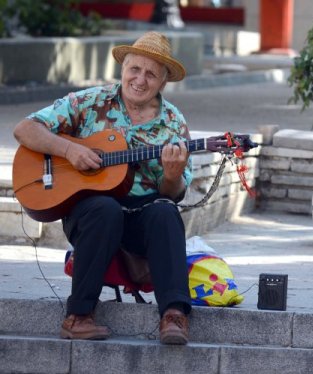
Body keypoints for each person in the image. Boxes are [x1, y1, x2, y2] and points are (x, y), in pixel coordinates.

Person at [13, 31, 193, 345]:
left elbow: (173, 192)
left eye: (151, 74)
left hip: (143, 214)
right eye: (134, 69)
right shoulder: (89, 101)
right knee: (105, 209)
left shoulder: (173, 123)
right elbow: (25, 128)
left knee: (165, 212)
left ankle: (173, 315)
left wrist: (172, 175)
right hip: (92, 212)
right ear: (122, 68)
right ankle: (78, 316)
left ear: (164, 82)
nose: (140, 79)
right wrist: (69, 151)